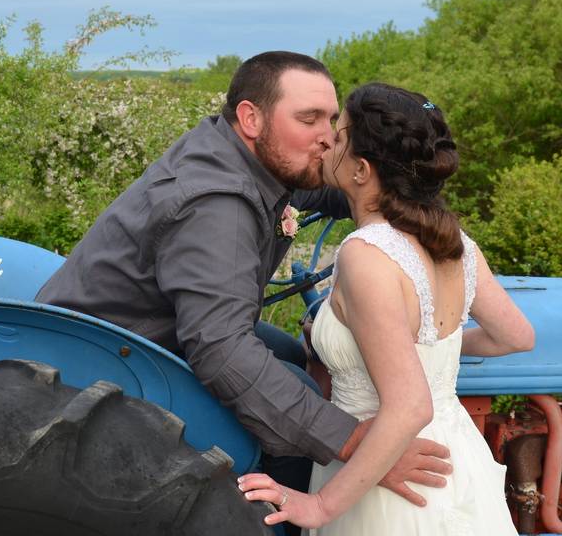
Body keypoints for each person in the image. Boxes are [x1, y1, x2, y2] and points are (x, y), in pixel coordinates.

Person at [36, 54, 452, 536]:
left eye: (333, 119)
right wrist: (355, 441)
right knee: (296, 394)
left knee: (289, 352)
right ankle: (282, 516)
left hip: (156, 324)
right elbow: (220, 348)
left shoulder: (243, 152)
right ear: (252, 118)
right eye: (309, 119)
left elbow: (325, 190)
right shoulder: (218, 203)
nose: (327, 135)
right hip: (113, 355)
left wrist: (395, 178)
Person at [238, 82, 535, 534]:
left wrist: (320, 506)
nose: (326, 142)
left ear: (360, 170)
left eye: (338, 136)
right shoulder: (457, 245)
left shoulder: (365, 254)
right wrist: (428, 349)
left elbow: (410, 406)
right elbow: (516, 336)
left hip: (388, 482)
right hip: (456, 462)